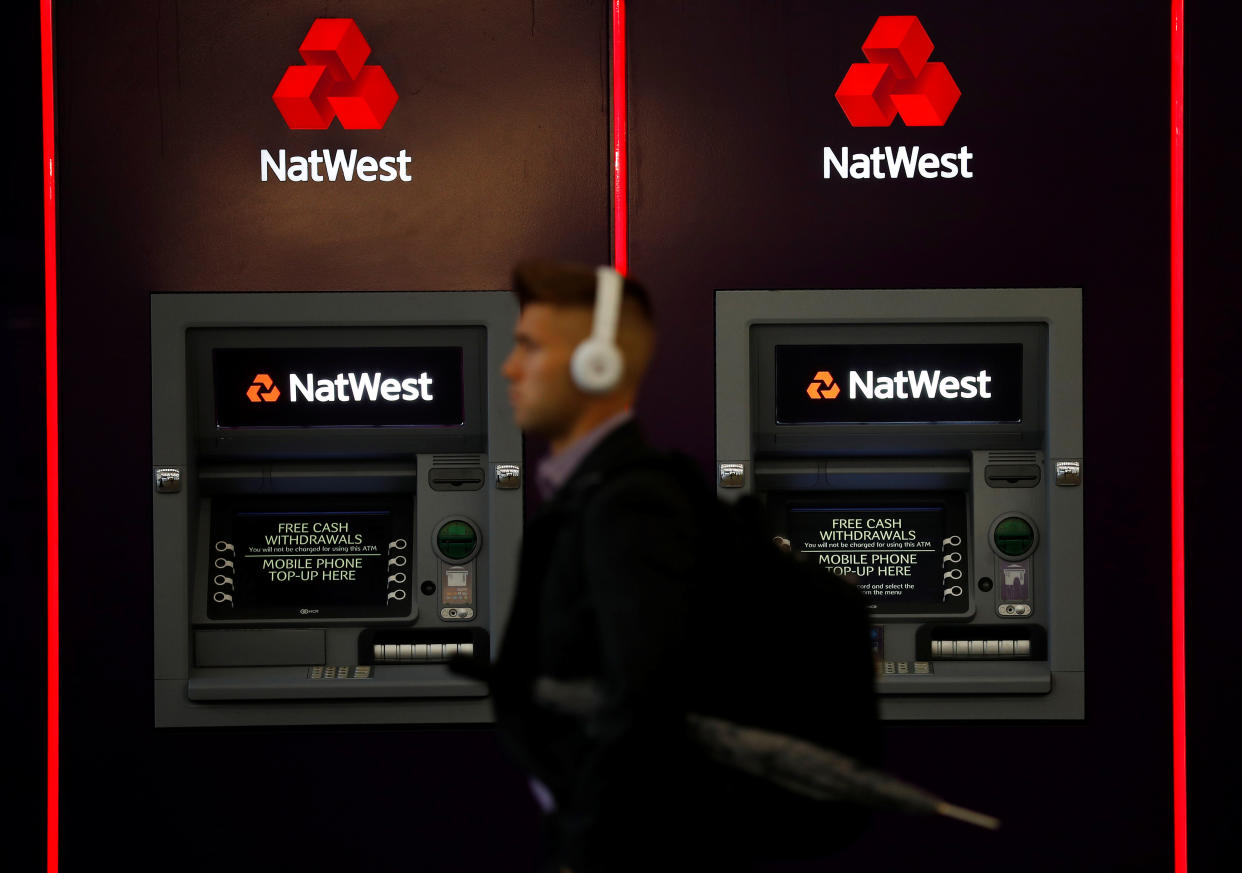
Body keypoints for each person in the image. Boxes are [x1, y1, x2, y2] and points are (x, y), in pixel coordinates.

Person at [492, 260, 742, 873]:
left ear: (595, 365)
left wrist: (582, 851)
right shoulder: (593, 492)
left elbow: (644, 705)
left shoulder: (632, 502)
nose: (510, 368)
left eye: (530, 347)